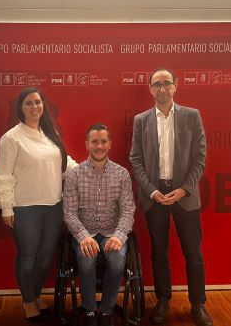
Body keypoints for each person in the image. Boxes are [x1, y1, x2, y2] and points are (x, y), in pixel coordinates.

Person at [128, 68, 212, 326]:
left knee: (193, 252)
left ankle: (198, 304)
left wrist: (185, 188)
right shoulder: (141, 120)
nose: (162, 89)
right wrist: (152, 191)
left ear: (176, 85)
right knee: (159, 252)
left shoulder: (191, 116)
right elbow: (135, 159)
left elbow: (200, 157)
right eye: (157, 84)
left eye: (167, 83)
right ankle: (163, 300)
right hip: (155, 196)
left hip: (184, 195)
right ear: (150, 88)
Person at [0, 87, 77, 321]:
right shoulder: (11, 138)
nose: (34, 107)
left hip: (54, 206)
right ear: (20, 108)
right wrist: (7, 208)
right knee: (28, 257)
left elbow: (65, 163)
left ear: (43, 105)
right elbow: (3, 176)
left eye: (38, 102)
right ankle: (28, 301)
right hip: (25, 208)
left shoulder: (51, 133)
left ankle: (35, 294)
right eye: (29, 103)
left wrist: (89, 169)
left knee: (46, 257)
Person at [63, 124, 135, 326]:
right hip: (84, 233)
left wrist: (119, 236)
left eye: (103, 141)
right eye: (94, 141)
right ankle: (90, 310)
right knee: (86, 260)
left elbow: (128, 210)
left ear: (110, 144)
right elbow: (69, 212)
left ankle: (106, 310)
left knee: (117, 260)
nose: (99, 146)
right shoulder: (74, 175)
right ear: (87, 144)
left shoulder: (122, 174)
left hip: (113, 232)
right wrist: (83, 236)